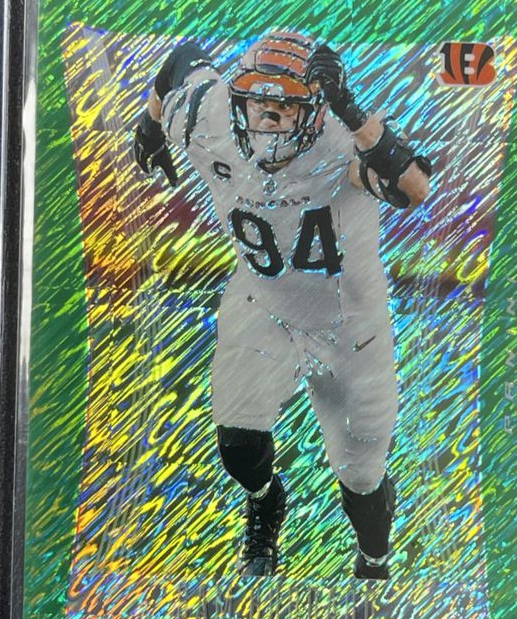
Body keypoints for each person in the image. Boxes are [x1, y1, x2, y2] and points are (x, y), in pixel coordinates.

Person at [134, 32, 431, 579]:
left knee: (361, 479)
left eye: (287, 106)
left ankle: (373, 555)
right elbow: (180, 60)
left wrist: (350, 110)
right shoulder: (208, 117)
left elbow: (415, 188)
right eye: (258, 103)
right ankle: (267, 500)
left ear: (316, 112)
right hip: (263, 302)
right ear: (237, 99)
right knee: (237, 445)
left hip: (350, 326)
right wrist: (151, 125)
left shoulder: (342, 141)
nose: (269, 119)